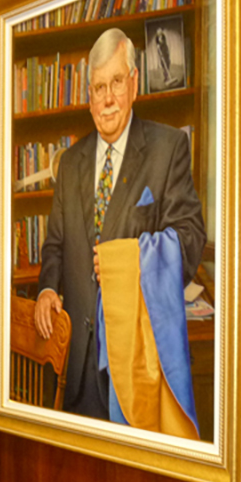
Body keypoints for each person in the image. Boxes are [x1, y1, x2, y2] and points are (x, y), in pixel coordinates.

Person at [35, 27, 205, 420]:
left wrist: (128, 259)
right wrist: (46, 288)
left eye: (116, 82)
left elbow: (190, 238)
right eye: (99, 87)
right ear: (89, 96)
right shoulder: (70, 162)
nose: (108, 98)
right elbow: (55, 244)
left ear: (134, 83)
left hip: (137, 364)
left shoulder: (169, 148)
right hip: (76, 364)